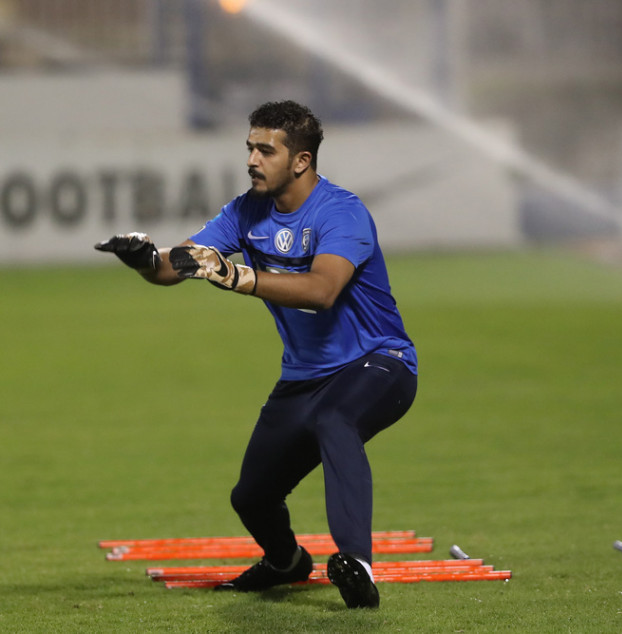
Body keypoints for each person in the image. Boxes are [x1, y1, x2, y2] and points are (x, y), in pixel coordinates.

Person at [95, 100, 417, 610]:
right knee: (251, 497)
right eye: (249, 147)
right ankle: (287, 561)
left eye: (265, 150)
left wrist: (242, 277)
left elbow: (322, 291)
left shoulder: (342, 211)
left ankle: (357, 564)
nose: (251, 159)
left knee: (336, 421)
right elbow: (177, 266)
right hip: (304, 378)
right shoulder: (245, 211)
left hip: (380, 362)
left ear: (301, 161)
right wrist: (143, 260)